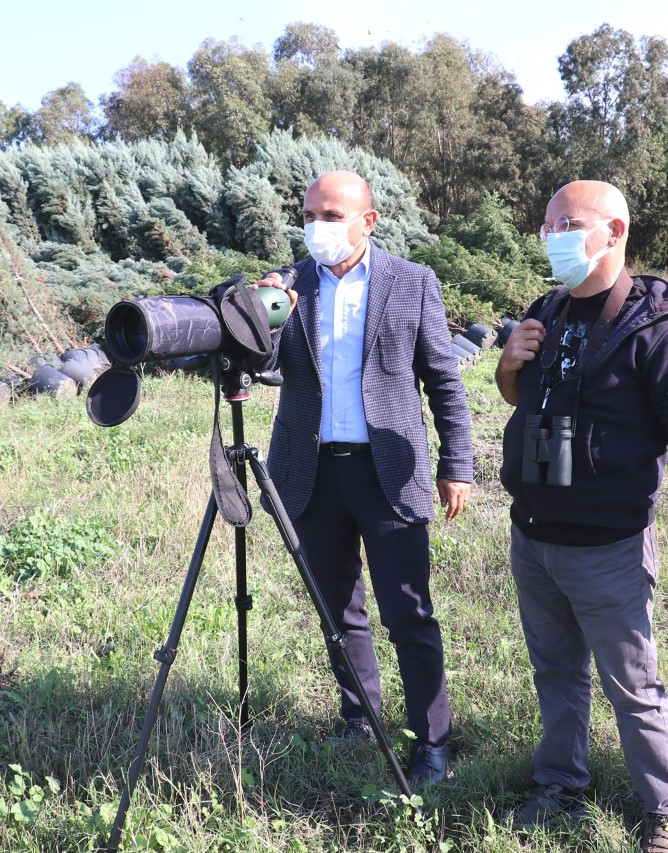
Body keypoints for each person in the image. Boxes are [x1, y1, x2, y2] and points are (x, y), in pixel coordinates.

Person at [495, 180, 668, 853]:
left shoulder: (660, 329)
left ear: (615, 231)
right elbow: (520, 397)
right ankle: (559, 782)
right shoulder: (546, 311)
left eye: (567, 222)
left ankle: (664, 811)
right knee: (556, 672)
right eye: (545, 223)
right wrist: (509, 366)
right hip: (533, 535)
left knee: (634, 687)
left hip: (609, 548)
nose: (551, 236)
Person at [255, 170, 474, 783]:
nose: (317, 227)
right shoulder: (291, 283)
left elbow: (443, 380)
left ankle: (432, 740)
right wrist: (263, 315)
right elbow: (261, 367)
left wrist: (458, 464)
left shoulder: (412, 282)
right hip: (311, 470)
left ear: (367, 221)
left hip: (388, 472)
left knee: (409, 614)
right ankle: (361, 720)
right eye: (310, 215)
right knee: (338, 611)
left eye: (331, 215)